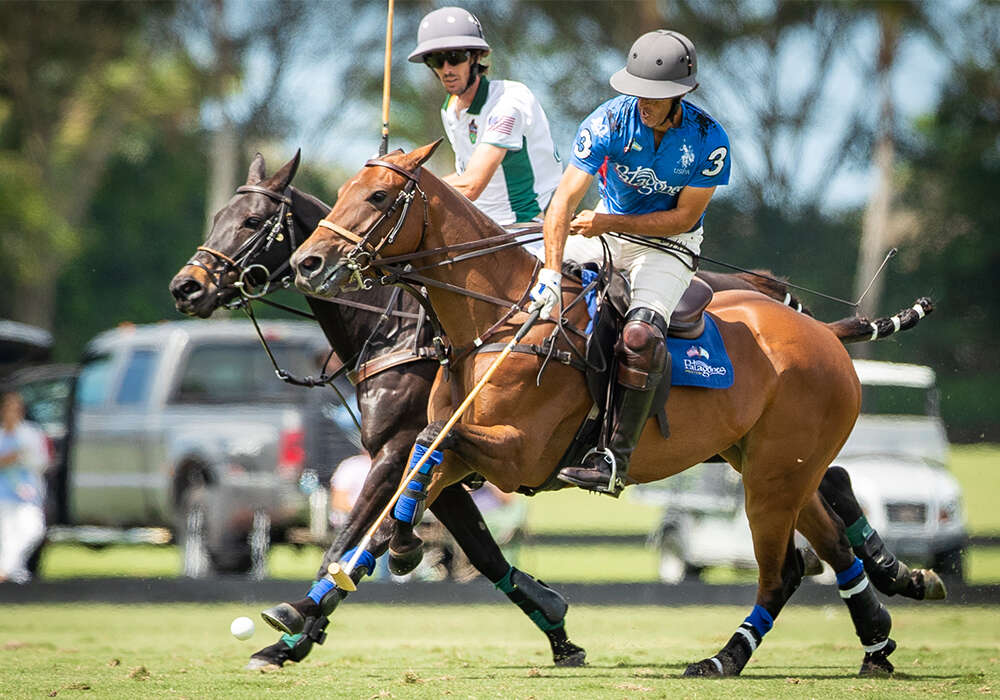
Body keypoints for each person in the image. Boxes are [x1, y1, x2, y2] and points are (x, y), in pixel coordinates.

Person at [529, 30, 731, 496]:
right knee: (530, 294)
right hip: (603, 231)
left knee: (640, 338)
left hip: (668, 245)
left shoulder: (708, 139)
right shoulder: (608, 123)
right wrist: (547, 272)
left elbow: (683, 217)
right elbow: (562, 202)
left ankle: (612, 459)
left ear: (682, 93)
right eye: (637, 91)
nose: (644, 103)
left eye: (656, 96)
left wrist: (609, 222)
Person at [408, 6, 563, 256]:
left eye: (455, 57)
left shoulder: (508, 102)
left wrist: (404, 185)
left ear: (475, 57)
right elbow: (463, 173)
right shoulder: (450, 109)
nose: (446, 69)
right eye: (436, 60)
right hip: (478, 227)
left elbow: (471, 185)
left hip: (527, 230)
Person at [0, 391, 50, 583]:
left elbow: (42, 461)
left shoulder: (31, 433)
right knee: (8, 533)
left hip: (27, 491)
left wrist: (20, 457)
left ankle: (6, 568)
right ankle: (16, 573)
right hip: (3, 491)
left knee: (33, 529)